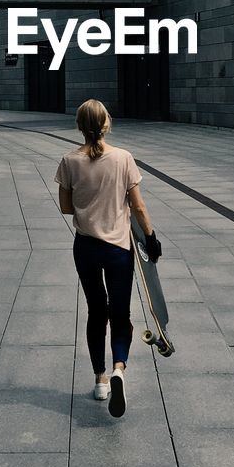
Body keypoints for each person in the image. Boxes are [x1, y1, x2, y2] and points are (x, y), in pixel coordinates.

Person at [55, 98, 161, 418]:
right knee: (120, 312)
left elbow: (66, 207)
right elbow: (139, 206)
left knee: (95, 311)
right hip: (119, 249)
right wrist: (151, 238)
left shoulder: (69, 161)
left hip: (86, 247)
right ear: (106, 124)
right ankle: (118, 368)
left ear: (79, 126)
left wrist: (90, 207)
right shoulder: (124, 158)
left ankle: (100, 379)